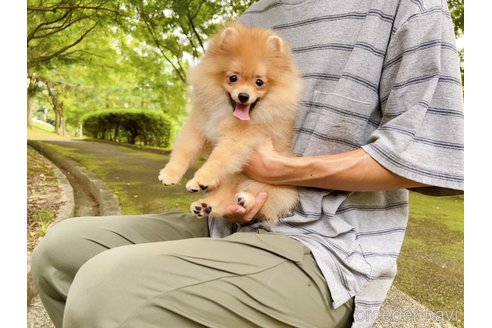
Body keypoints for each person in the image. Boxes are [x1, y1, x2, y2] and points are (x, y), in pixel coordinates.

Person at [31, 0, 464, 327]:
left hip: (326, 245)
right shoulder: (259, 11)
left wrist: (281, 171)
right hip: (228, 217)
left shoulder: (407, 9)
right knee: (60, 251)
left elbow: (428, 155)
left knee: (106, 290)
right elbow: (213, 120)